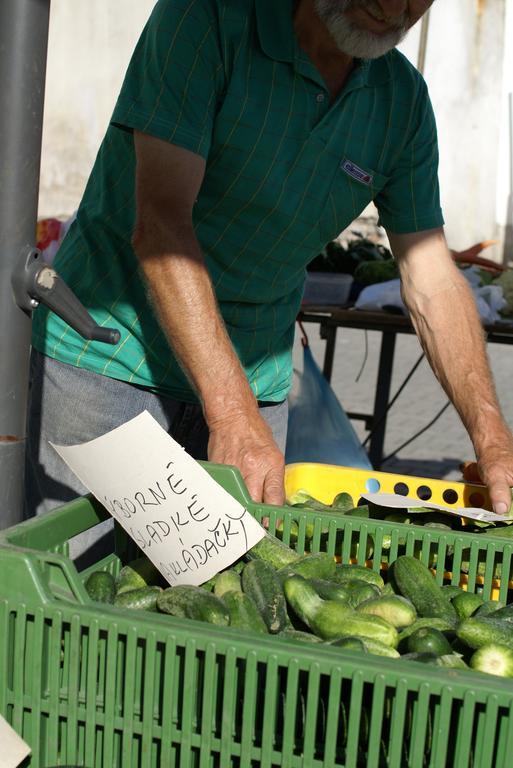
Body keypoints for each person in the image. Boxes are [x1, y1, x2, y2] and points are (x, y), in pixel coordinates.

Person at [26, 0, 513, 548]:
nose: (394, 7)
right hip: (108, 366)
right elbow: (161, 224)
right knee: (77, 595)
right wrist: (231, 414)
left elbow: (431, 277)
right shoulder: (206, 18)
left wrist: (493, 437)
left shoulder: (403, 103)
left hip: (255, 388)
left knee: (227, 609)